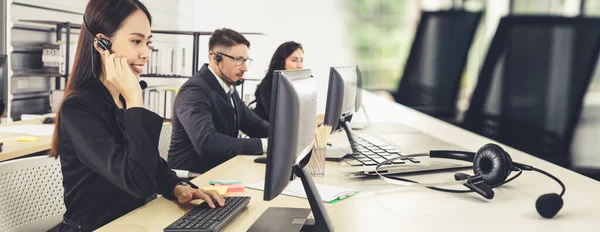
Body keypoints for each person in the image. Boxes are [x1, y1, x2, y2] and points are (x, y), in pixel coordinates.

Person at [50, 0, 223, 230]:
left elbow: (147, 161)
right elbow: (137, 181)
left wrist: (177, 187)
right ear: (102, 44)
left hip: (133, 222)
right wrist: (134, 99)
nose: (145, 53)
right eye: (136, 41)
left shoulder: (120, 98)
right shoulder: (79, 108)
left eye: (148, 43)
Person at [168, 28, 269, 174]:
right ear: (216, 58)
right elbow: (208, 143)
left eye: (245, 61)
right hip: (192, 180)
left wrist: (281, 136)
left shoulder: (228, 88)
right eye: (238, 60)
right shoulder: (193, 92)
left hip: (220, 172)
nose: (245, 68)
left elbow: (254, 124)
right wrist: (266, 144)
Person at [253, 41, 324, 124]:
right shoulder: (268, 86)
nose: (300, 65)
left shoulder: (295, 86)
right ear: (281, 62)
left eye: (301, 60)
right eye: (294, 60)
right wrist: (314, 120)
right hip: (269, 135)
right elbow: (282, 120)